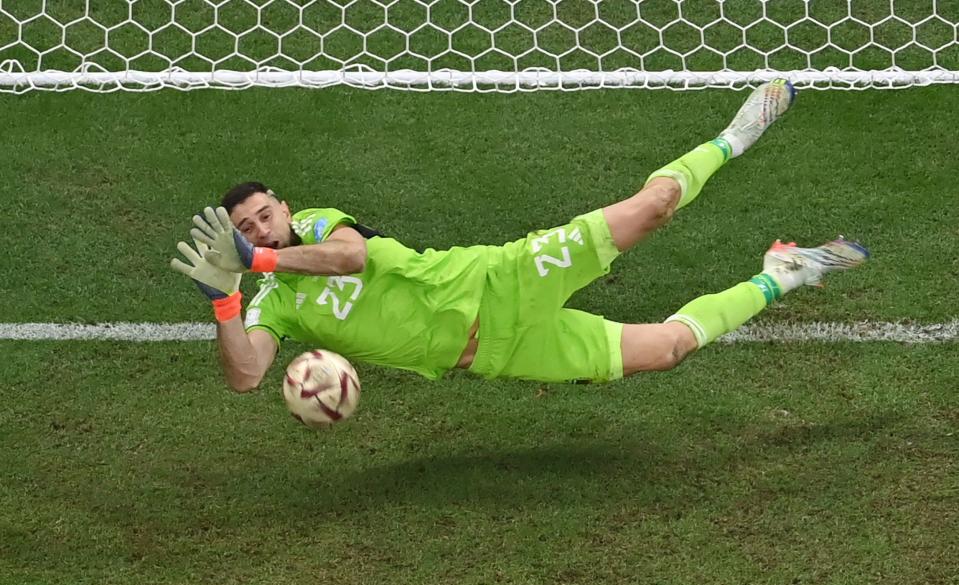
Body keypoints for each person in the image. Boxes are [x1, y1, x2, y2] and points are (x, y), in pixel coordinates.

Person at [171, 79, 868, 392]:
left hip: (502, 276)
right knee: (666, 349)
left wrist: (260, 253)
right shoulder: (274, 304)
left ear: (284, 207)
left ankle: (733, 135)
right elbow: (246, 374)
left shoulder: (317, 225)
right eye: (244, 226)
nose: (259, 226)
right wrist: (225, 301)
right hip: (498, 351)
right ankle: (781, 270)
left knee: (653, 206)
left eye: (264, 213)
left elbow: (349, 256)